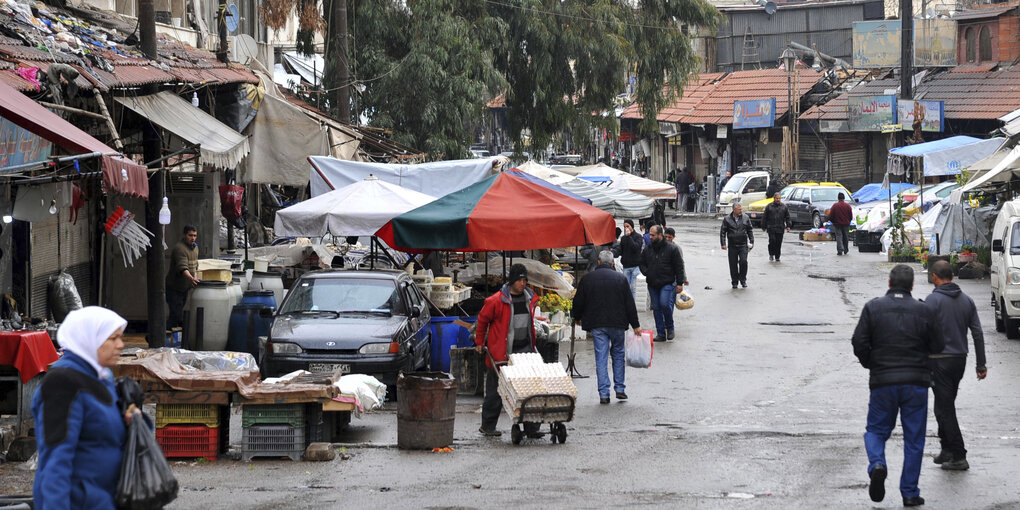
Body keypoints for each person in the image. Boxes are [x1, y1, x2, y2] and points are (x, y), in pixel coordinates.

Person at [852, 265, 945, 507]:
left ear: (889, 283)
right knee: (914, 438)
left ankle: (877, 464)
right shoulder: (923, 311)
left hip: (883, 381)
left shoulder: (873, 307)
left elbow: (859, 342)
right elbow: (938, 345)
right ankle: (910, 492)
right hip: (916, 383)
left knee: (875, 430)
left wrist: (872, 363)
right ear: (912, 285)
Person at [32, 306, 136, 509]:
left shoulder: (100, 376)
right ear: (90, 338)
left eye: (120, 338)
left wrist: (133, 419)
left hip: (103, 498)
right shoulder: (63, 384)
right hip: (79, 501)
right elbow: (55, 461)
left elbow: (108, 434)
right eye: (112, 338)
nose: (120, 345)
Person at [924, 260, 987, 471]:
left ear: (935, 276)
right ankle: (947, 449)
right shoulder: (966, 300)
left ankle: (959, 454)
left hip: (938, 360)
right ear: (952, 275)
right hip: (959, 359)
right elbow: (977, 333)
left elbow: (922, 332)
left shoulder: (932, 301)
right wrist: (981, 364)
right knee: (943, 405)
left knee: (945, 408)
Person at [475, 264, 539, 436]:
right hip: (501, 354)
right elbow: (482, 321)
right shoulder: (496, 300)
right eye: (519, 279)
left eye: (525, 280)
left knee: (529, 391)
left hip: (525, 351)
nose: (523, 283)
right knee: (495, 392)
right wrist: (480, 342)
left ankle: (532, 428)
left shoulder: (529, 299)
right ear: (512, 280)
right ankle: (488, 427)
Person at [573, 251, 641, 404]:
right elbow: (629, 304)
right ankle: (620, 389)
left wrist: (577, 317)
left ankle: (604, 393)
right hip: (617, 324)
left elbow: (578, 301)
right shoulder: (621, 279)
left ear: (598, 262)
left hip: (598, 324)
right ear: (612, 263)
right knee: (618, 355)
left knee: (601, 357)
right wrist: (635, 325)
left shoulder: (587, 279)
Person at [638, 225, 685, 342]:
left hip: (667, 282)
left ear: (660, 235)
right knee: (657, 308)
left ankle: (670, 327)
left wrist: (680, 283)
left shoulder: (671, 249)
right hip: (653, 283)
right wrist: (646, 272)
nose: (651, 237)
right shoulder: (648, 249)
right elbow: (641, 262)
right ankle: (661, 333)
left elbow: (679, 266)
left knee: (664, 303)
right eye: (650, 235)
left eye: (653, 235)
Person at [165, 225, 200, 329]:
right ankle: (157, 336)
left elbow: (195, 266)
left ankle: (174, 337)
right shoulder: (179, 249)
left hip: (184, 288)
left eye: (195, 235)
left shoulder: (195, 248)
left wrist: (195, 277)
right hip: (174, 288)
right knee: (175, 315)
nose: (193, 238)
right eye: (190, 235)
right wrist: (192, 278)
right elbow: (183, 267)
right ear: (184, 235)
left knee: (178, 314)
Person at [720, 203, 754, 288]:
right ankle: (734, 281)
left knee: (743, 262)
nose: (741, 211)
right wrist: (723, 243)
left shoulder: (745, 218)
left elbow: (750, 230)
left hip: (743, 245)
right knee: (733, 264)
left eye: (741, 209)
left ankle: (743, 280)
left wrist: (751, 240)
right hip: (732, 245)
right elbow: (723, 232)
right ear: (734, 210)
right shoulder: (727, 219)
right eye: (739, 209)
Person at [761, 192, 791, 262]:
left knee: (778, 242)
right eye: (777, 198)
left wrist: (788, 225)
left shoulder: (784, 207)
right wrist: (763, 226)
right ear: (774, 198)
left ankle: (777, 256)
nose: (778, 200)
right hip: (771, 227)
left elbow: (787, 217)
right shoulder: (769, 206)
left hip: (780, 228)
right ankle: (771, 254)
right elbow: (764, 217)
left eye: (779, 198)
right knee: (772, 241)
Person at [618, 220, 644, 296]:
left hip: (635, 266)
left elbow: (635, 247)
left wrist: (629, 237)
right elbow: (621, 250)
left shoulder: (638, 236)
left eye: (628, 226)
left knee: (633, 288)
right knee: (626, 288)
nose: (626, 228)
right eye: (624, 226)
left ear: (632, 227)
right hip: (626, 266)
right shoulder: (623, 238)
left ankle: (632, 305)